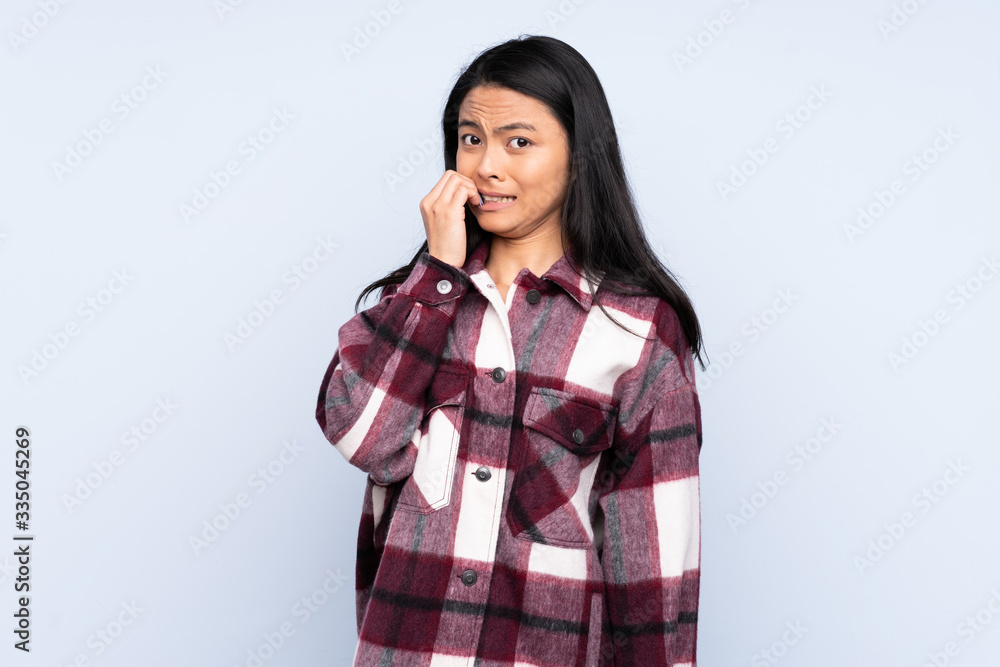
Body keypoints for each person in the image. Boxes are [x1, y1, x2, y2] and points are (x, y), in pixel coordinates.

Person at [315, 34, 706, 667]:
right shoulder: (412, 305)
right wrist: (438, 277)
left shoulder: (638, 331)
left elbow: (656, 567)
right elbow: (364, 438)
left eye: (518, 142)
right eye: (471, 139)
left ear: (579, 156)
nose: (486, 166)